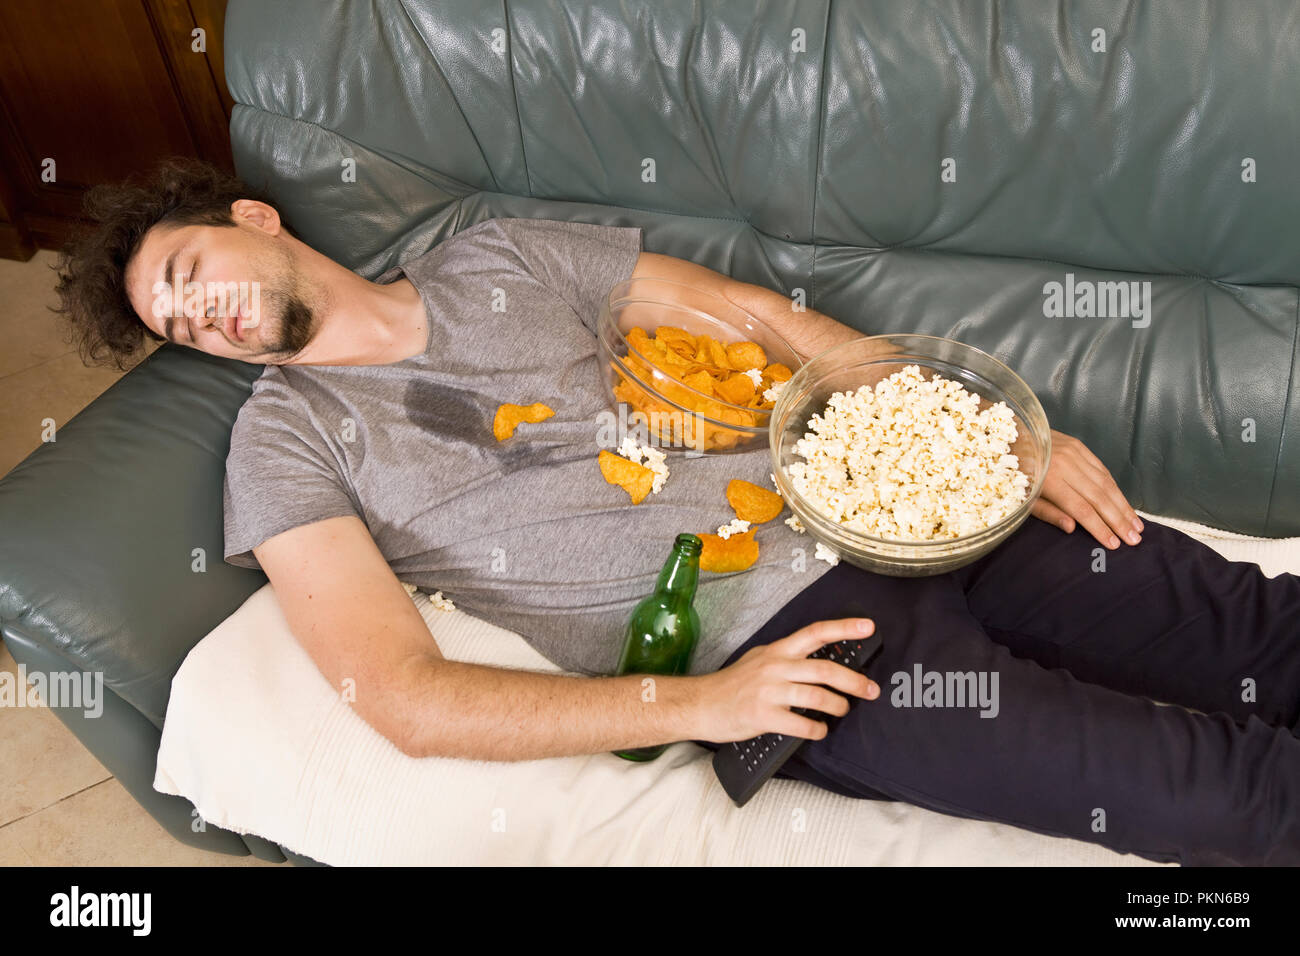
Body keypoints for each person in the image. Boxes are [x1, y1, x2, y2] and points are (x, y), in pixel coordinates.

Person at [54, 159, 1300, 865]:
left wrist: (974, 433)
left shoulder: (498, 253)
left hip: (894, 490)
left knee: (1257, 632)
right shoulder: (287, 445)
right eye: (176, 327)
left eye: (187, 276)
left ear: (249, 222)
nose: (199, 317)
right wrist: (707, 703)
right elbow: (396, 693)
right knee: (1215, 797)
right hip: (804, 650)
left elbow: (757, 315)